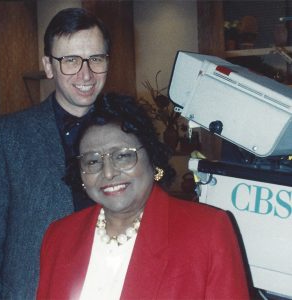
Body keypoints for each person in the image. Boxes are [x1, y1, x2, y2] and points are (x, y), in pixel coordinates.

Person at [36, 93, 250, 300]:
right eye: (92, 161)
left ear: (152, 158)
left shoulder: (207, 231)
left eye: (122, 156)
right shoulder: (59, 236)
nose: (108, 172)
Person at [0, 8, 110, 299]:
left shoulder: (129, 128)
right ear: (48, 66)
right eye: (70, 60)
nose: (86, 74)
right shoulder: (7, 136)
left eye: (95, 59)